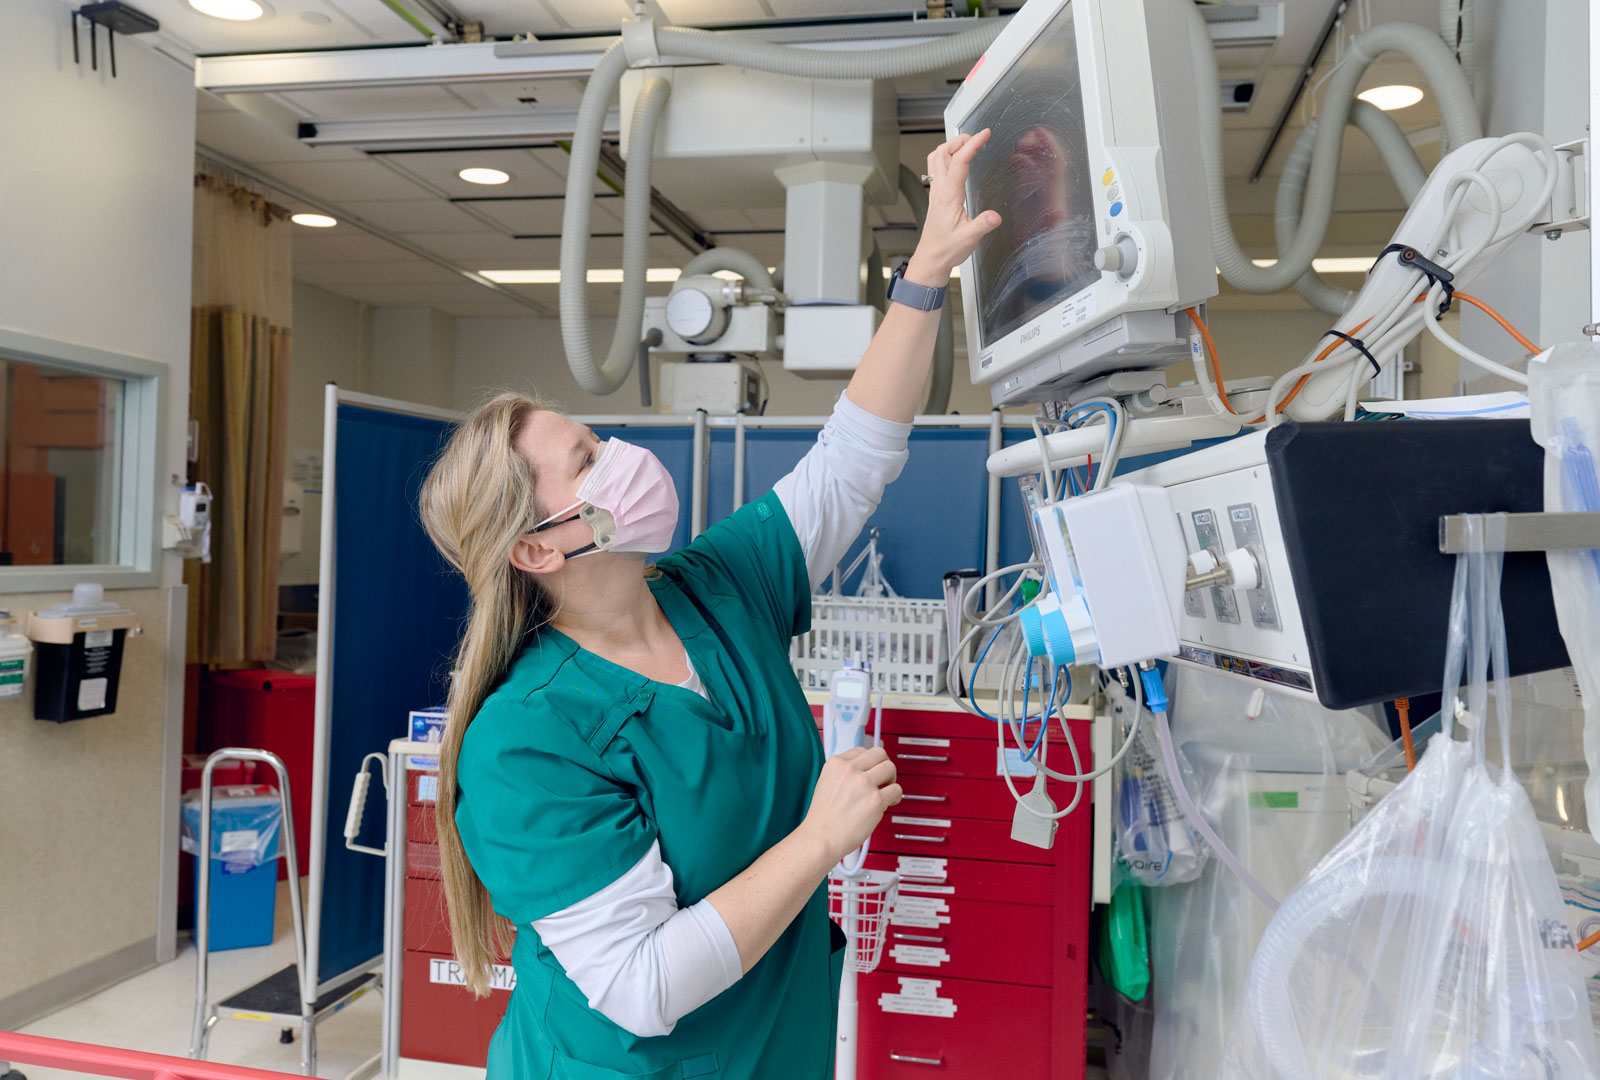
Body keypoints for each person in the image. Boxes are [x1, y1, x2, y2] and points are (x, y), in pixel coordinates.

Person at [418, 130, 1001, 1080]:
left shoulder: (714, 587)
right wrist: (820, 839)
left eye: (598, 438)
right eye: (587, 463)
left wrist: (925, 275)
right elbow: (643, 983)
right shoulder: (524, 741)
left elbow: (852, 464)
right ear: (537, 548)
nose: (620, 458)